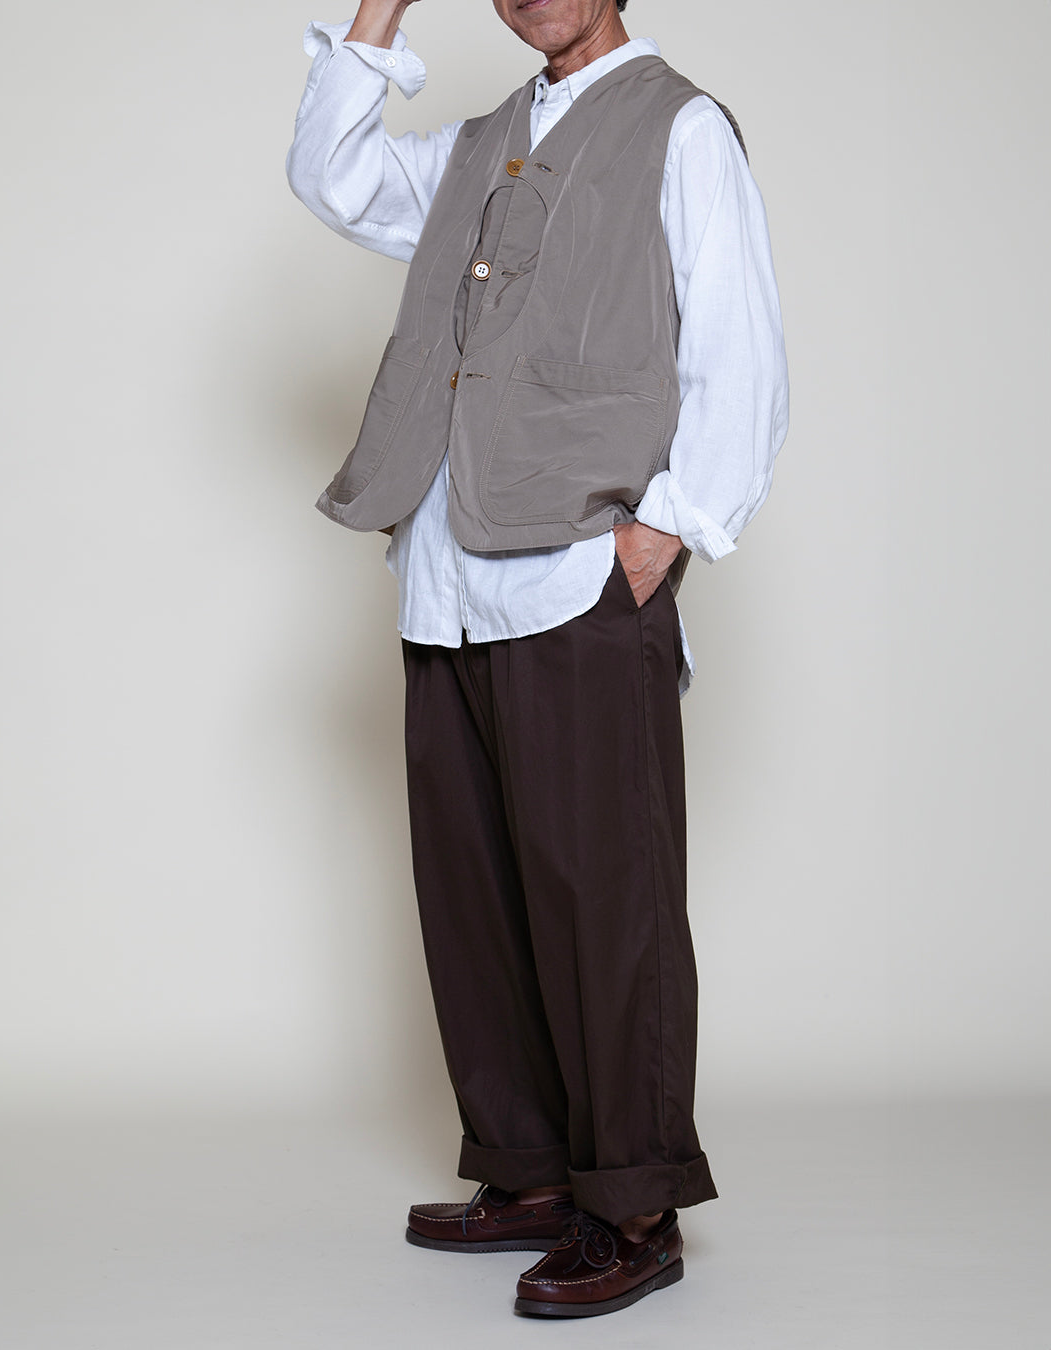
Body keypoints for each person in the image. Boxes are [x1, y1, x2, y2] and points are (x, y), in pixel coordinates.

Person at [286, 0, 788, 1319]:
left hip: (574, 575)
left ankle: (634, 1204)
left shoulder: (680, 128)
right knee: (474, 892)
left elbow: (738, 345)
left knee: (604, 903)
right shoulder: (478, 145)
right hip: (447, 578)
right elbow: (330, 174)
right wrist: (380, 12)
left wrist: (666, 532)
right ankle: (527, 1171)